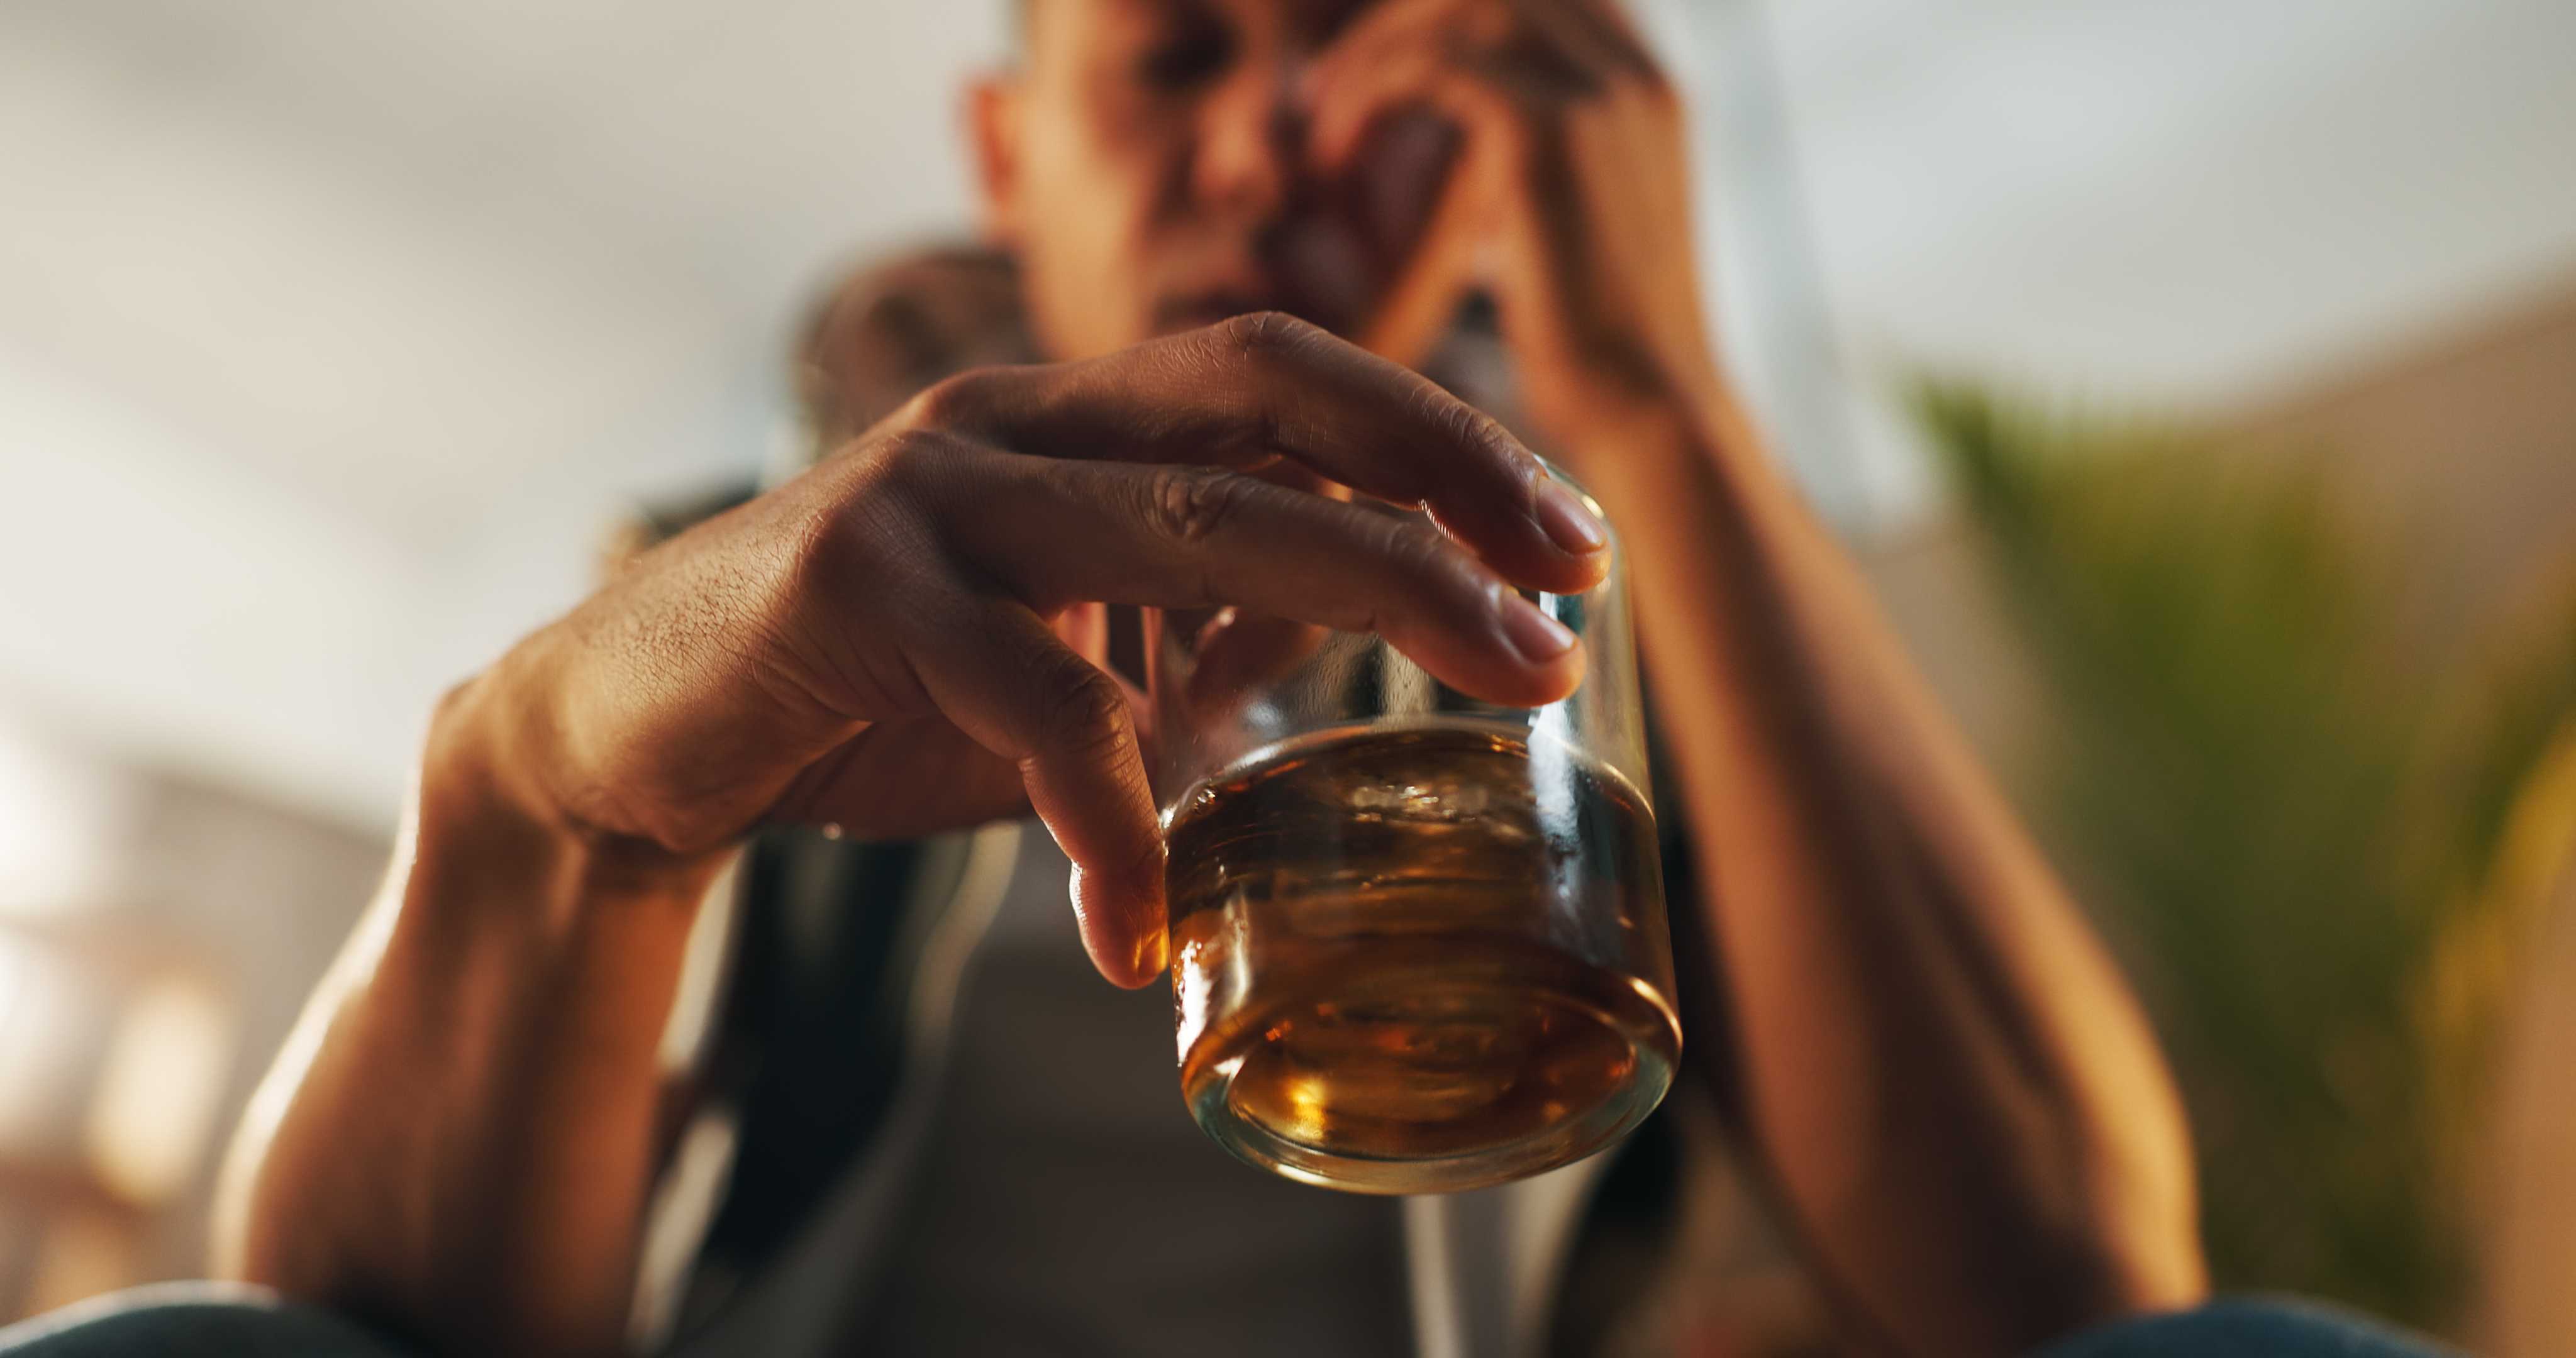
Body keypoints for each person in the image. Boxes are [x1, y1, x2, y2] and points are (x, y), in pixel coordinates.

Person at [0, 1, 2460, 1356]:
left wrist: (1665, 408)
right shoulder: (758, 588)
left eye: (1367, 46)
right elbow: (334, 1324)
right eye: (1176, 54)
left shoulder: (1627, 617)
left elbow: (2077, 1296)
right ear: (1003, 144)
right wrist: (543, 772)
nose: (1279, 130)